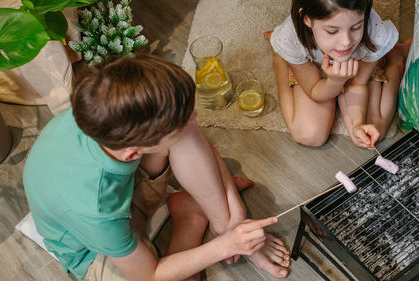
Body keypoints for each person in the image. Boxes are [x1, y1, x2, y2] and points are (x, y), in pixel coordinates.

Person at [23, 54, 291, 281]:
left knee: (182, 127)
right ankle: (191, 217)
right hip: (95, 250)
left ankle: (216, 219)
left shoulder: (101, 107)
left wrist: (234, 220)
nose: (196, 116)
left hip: (125, 194)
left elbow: (189, 128)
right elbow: (150, 274)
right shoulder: (95, 209)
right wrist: (226, 246)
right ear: (132, 153)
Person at [268, 0, 409, 148]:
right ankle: (280, 58)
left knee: (369, 135)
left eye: (356, 27)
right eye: (332, 31)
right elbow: (314, 90)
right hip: (311, 66)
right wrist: (334, 82)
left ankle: (396, 58)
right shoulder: (292, 38)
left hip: (358, 62)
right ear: (307, 19)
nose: (346, 42)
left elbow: (358, 84)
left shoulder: (374, 32)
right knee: (309, 135)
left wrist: (357, 124)